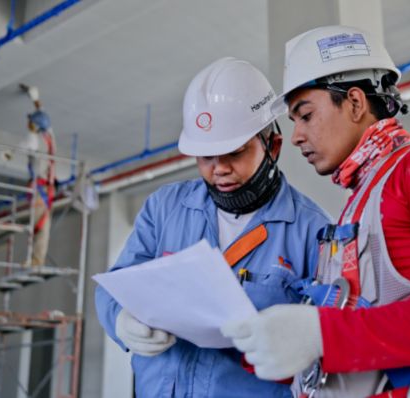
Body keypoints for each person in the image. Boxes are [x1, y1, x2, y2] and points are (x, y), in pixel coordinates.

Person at [221, 26, 410, 398]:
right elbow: (355, 329)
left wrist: (322, 335)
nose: (295, 136)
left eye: (305, 115)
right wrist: (277, 342)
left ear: (355, 103)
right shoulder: (358, 205)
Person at [94, 57, 333, 398]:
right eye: (206, 156)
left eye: (234, 153)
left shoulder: (313, 232)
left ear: (273, 146)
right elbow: (115, 285)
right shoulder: (164, 208)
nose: (218, 169)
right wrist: (121, 320)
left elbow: (328, 343)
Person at [2, 85, 56, 266]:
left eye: (31, 121)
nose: (28, 123)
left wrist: (9, 153)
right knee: (42, 223)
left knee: (38, 225)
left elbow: (24, 144)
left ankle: (36, 259)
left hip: (39, 188)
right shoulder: (49, 134)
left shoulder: (34, 138)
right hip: (47, 187)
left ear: (34, 125)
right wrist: (35, 100)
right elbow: (43, 115)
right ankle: (37, 258)